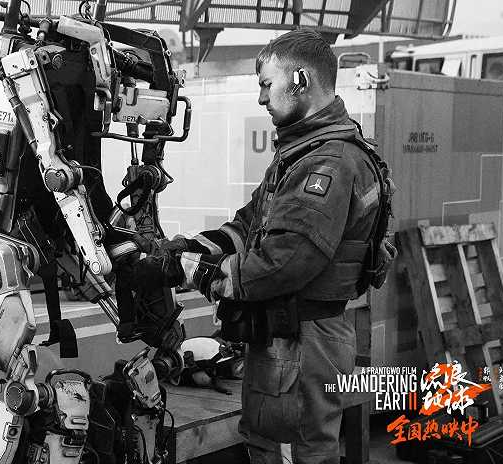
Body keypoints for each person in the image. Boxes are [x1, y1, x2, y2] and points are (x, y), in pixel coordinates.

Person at [134, 28, 392, 464]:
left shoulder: (326, 163)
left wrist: (193, 272)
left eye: (267, 84)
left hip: (301, 344)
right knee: (272, 441)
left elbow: (282, 263)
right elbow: (248, 226)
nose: (260, 98)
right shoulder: (303, 154)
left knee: (290, 449)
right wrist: (181, 249)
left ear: (300, 81)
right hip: (292, 340)